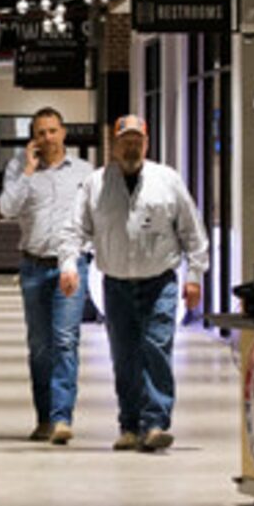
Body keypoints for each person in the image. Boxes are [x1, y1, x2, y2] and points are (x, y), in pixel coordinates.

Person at [66, 114, 208, 452]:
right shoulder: (95, 184)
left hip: (160, 282)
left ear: (146, 144)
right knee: (125, 355)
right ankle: (129, 424)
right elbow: (75, 229)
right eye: (125, 141)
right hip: (116, 284)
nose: (131, 147)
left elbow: (191, 230)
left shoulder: (167, 181)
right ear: (113, 146)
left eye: (137, 141)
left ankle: (155, 423)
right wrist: (68, 264)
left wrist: (195, 276)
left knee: (156, 349)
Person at [0, 105, 95, 444]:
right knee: (40, 346)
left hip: (70, 267)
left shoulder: (85, 172)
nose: (47, 138)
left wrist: (89, 253)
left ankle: (62, 418)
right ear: (33, 138)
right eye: (40, 133)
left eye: (53, 131)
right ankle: (43, 417)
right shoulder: (19, 170)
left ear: (63, 133)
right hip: (33, 266)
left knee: (66, 341)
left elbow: (95, 217)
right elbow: (6, 209)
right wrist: (27, 171)